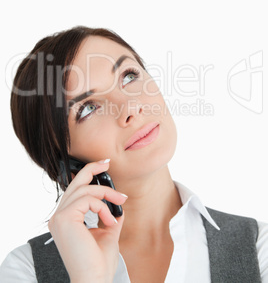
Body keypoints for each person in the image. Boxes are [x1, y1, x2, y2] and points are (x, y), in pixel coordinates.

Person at [0, 25, 267, 283]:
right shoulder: (27, 271)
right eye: (88, 108)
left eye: (129, 76)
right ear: (63, 163)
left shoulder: (258, 248)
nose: (130, 108)